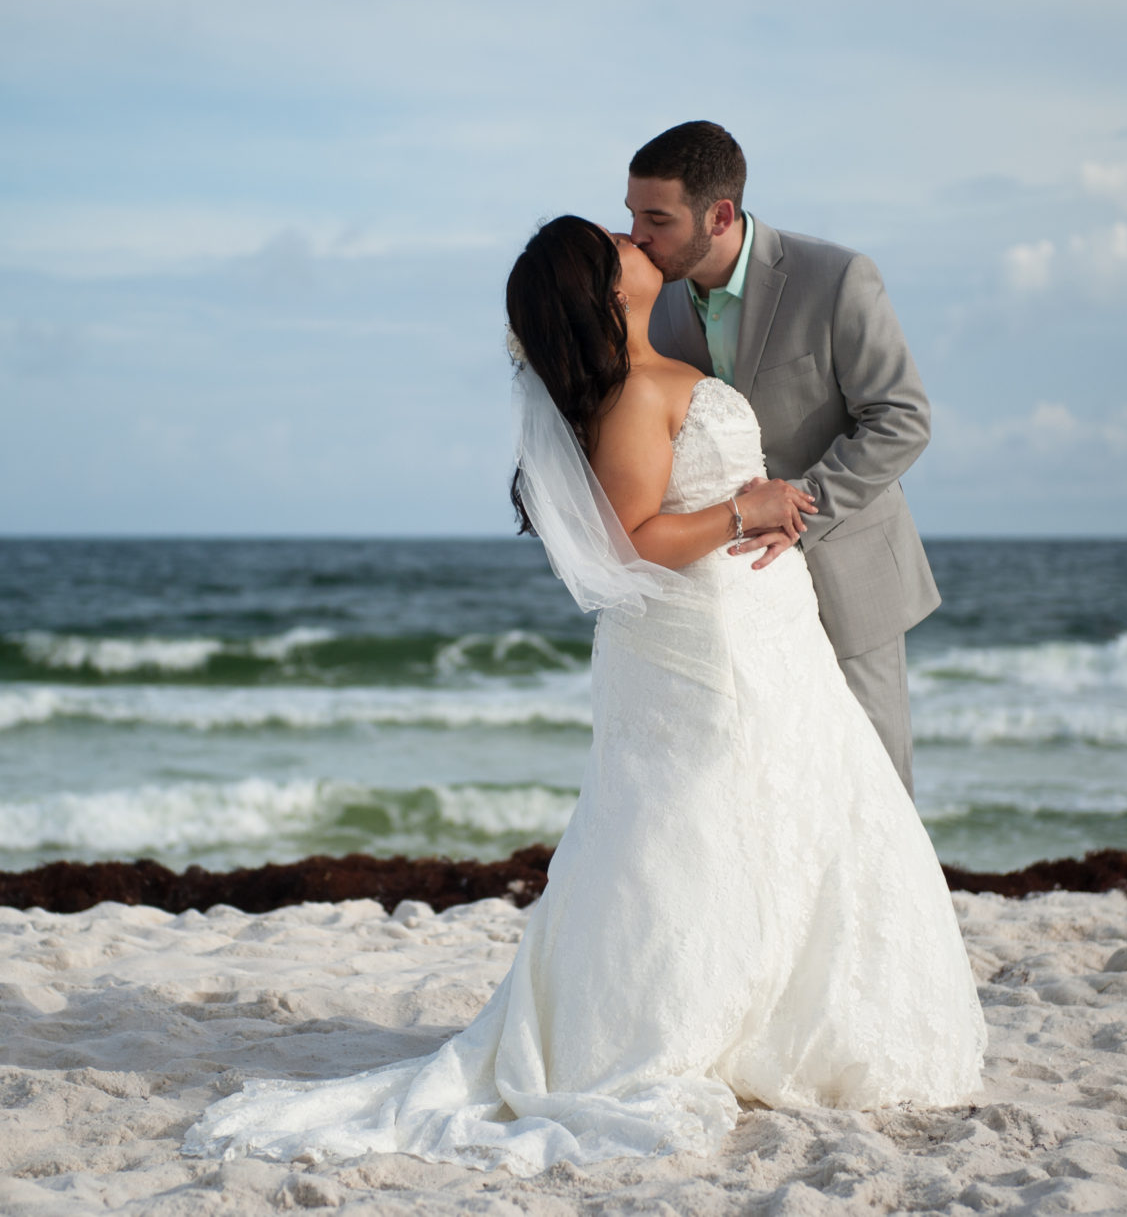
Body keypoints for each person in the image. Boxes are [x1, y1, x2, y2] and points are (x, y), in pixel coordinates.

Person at [181, 215, 985, 1175]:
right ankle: (677, 1021)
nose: (632, 239)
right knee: (691, 826)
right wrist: (745, 508)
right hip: (707, 643)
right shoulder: (637, 394)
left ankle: (771, 1021)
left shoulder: (659, 364)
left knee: (788, 811)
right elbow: (628, 540)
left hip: (765, 630)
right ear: (607, 293)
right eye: (618, 245)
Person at [629, 122, 936, 796]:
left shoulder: (837, 278)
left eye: (657, 218)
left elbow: (903, 416)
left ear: (720, 214)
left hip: (848, 571)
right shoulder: (657, 306)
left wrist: (799, 505)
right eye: (632, 215)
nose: (639, 235)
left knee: (874, 782)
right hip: (739, 595)